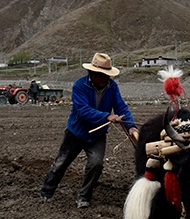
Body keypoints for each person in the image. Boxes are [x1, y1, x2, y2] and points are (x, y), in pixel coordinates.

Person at [40, 52, 139, 208]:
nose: (105, 79)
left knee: (96, 164)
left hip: (97, 135)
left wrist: (131, 126)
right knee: (61, 163)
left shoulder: (112, 87)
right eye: (101, 75)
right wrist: (107, 116)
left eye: (107, 76)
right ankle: (46, 192)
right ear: (92, 73)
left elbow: (121, 107)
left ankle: (84, 197)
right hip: (76, 133)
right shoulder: (79, 86)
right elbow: (83, 110)